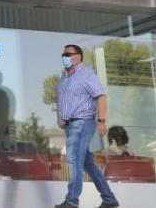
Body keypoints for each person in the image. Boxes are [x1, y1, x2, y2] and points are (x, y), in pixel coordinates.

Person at [55, 44, 118, 208]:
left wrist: (102, 120)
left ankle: (72, 200)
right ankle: (109, 199)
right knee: (86, 163)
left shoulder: (86, 74)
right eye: (63, 54)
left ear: (79, 56)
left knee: (74, 159)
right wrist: (60, 117)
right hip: (70, 125)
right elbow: (61, 99)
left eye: (68, 54)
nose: (65, 57)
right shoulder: (64, 77)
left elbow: (101, 96)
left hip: (83, 122)